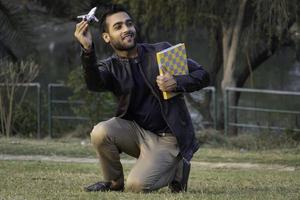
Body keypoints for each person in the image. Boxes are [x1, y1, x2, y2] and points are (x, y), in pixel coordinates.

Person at [74, 4, 210, 193]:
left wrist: (177, 82)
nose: (127, 29)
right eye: (118, 26)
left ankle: (178, 169)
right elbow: (94, 84)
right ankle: (114, 183)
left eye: (129, 24)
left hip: (169, 138)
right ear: (106, 37)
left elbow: (203, 74)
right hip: (137, 133)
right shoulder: (110, 67)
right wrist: (87, 50)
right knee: (100, 132)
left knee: (136, 186)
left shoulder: (161, 53)